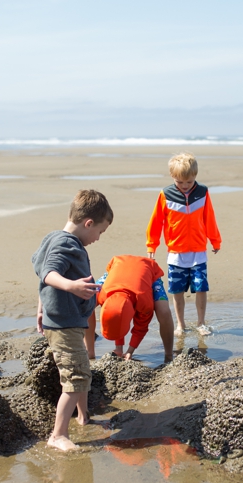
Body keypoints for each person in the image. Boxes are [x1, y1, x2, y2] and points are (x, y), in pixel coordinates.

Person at [32, 189, 112, 451]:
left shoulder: (52, 238)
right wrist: (71, 287)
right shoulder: (66, 244)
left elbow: (41, 274)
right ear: (88, 223)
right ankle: (58, 435)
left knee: (80, 371)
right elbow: (48, 273)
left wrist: (41, 306)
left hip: (69, 320)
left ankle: (83, 415)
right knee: (75, 377)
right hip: (65, 324)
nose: (98, 238)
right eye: (99, 232)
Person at [145, 152, 222, 337]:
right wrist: (151, 245)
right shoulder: (166, 194)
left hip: (198, 252)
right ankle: (180, 324)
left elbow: (209, 217)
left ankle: (201, 323)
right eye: (180, 182)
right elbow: (156, 222)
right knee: (177, 291)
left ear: (195, 176)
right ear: (173, 177)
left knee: (201, 288)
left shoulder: (202, 192)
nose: (185, 186)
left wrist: (215, 239)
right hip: (176, 253)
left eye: (189, 181)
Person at [91, 254, 175, 363]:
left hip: (147, 269)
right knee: (86, 302)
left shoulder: (144, 302)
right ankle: (90, 351)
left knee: (164, 312)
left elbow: (141, 327)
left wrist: (130, 350)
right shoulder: (104, 295)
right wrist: (119, 348)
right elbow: (115, 317)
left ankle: (168, 355)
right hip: (118, 267)